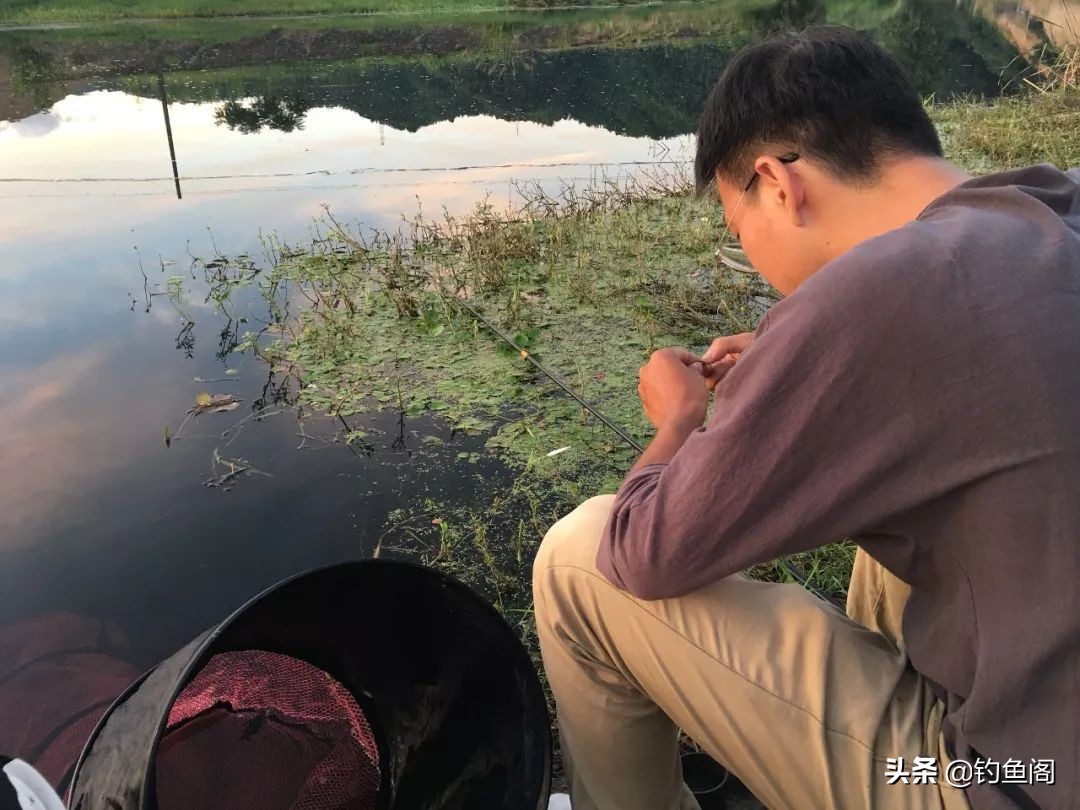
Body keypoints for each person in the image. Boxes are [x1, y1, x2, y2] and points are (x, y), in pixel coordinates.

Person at [533, 24, 1079, 810]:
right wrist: (789, 356)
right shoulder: (1054, 203)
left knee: (577, 560)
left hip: (1016, 786)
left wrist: (677, 422)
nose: (750, 249)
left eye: (738, 225)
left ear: (776, 183)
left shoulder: (872, 297)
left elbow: (642, 554)